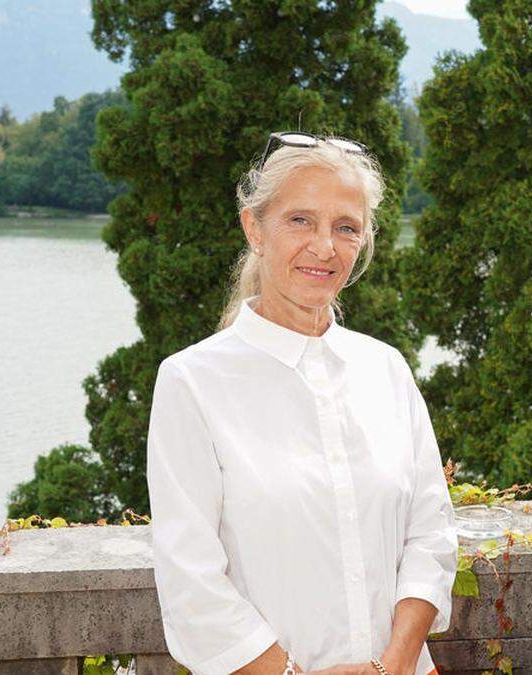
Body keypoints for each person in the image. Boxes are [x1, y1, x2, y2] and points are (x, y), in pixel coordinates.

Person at [147, 134, 456, 675]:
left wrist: (394, 664)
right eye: (300, 221)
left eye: (345, 227)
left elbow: (430, 534)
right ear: (254, 228)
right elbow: (188, 577)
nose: (324, 247)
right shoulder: (191, 382)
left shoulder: (386, 370)